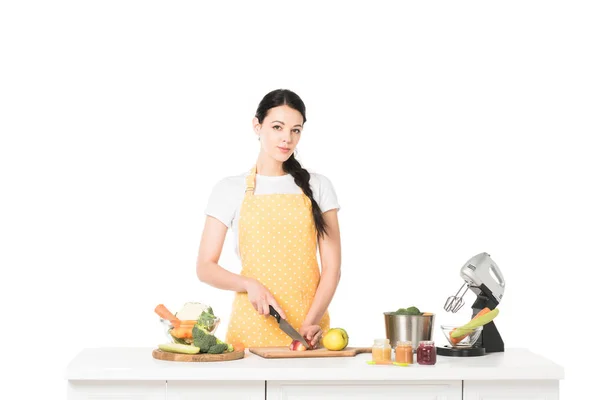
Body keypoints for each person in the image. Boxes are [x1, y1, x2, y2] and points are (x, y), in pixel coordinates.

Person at [196, 89, 342, 348]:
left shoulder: (319, 186)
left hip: (308, 332)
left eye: (296, 130)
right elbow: (205, 267)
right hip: (251, 330)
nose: (287, 138)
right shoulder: (229, 189)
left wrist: (310, 322)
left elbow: (332, 269)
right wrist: (247, 284)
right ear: (257, 125)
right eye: (277, 127)